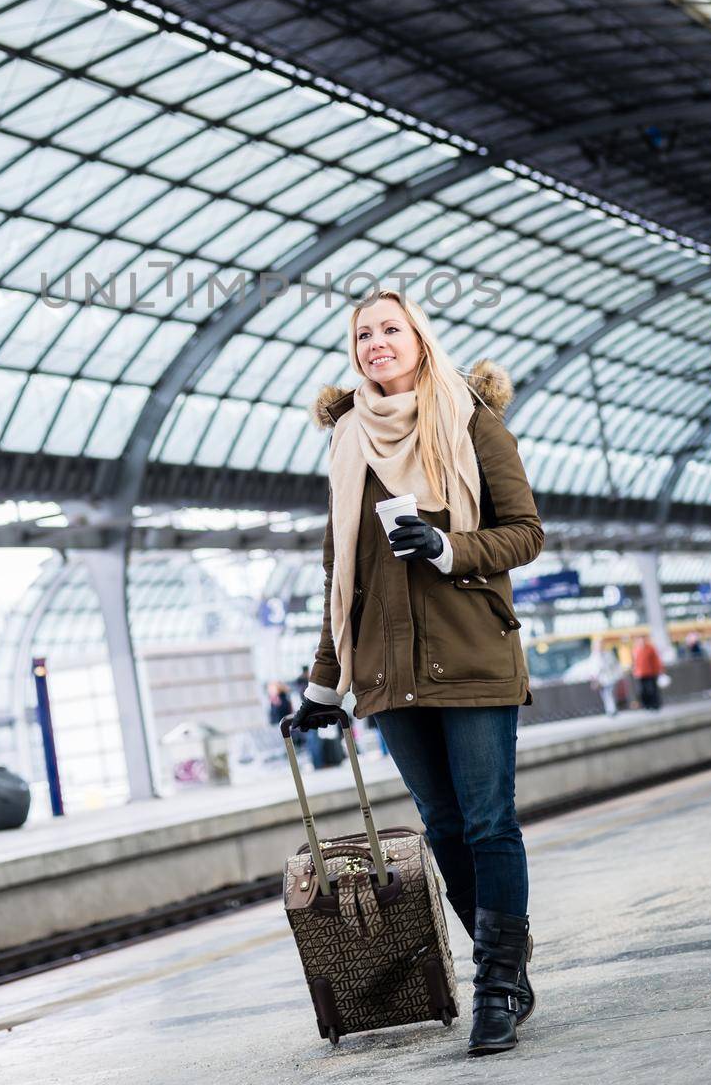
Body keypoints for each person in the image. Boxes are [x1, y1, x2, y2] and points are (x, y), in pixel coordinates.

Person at [287, 288, 544, 1057]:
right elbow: (343, 574)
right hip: (388, 671)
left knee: (490, 821)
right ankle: (507, 972)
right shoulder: (346, 442)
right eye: (362, 334)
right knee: (444, 828)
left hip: (470, 652)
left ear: (420, 339)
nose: (376, 343)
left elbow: (525, 533)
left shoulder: (470, 420)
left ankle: (496, 984)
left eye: (390, 329)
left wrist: (448, 551)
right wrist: (320, 686)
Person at [589, 638, 624, 717]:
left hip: (609, 678)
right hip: (600, 679)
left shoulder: (608, 654)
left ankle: (612, 710)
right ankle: (610, 710)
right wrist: (594, 678)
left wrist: (618, 674)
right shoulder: (594, 656)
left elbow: (615, 665)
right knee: (605, 695)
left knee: (610, 693)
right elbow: (593, 669)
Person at [631, 634, 662, 710]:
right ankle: (646, 705)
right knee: (643, 691)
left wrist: (658, 670)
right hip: (640, 674)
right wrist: (635, 671)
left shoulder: (650, 648)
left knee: (652, 690)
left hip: (651, 673)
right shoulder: (635, 649)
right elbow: (634, 662)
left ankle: (655, 704)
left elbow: (655, 660)